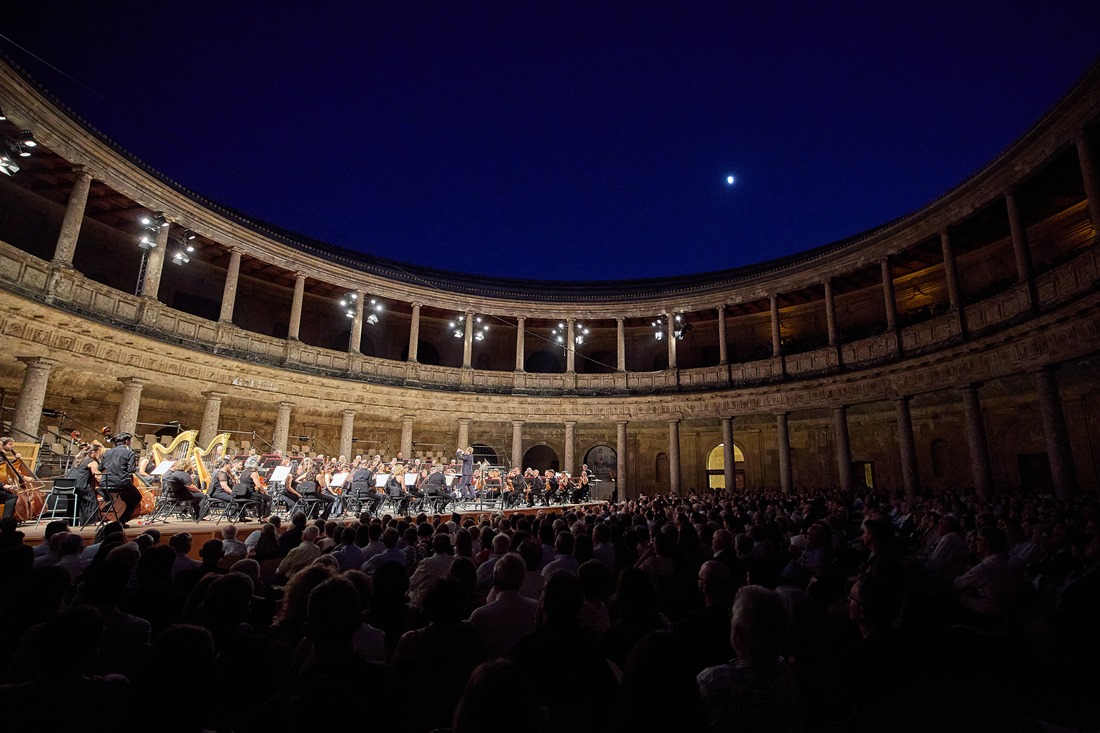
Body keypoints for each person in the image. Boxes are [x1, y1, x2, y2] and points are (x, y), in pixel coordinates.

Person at [100, 433, 141, 527]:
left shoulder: (107, 452)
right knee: (137, 497)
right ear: (126, 441)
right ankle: (122, 521)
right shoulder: (129, 453)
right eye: (130, 440)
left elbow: (100, 467)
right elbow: (131, 470)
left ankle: (109, 502)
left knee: (128, 498)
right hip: (121, 482)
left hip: (105, 483)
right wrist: (136, 469)